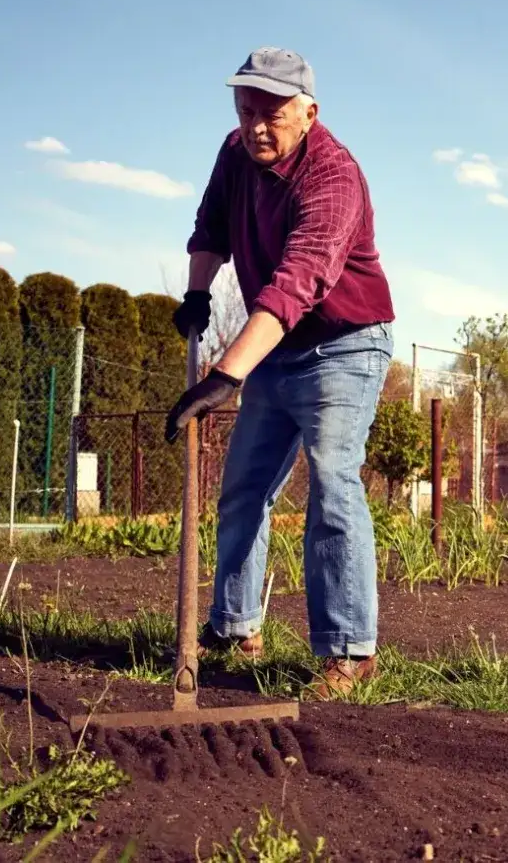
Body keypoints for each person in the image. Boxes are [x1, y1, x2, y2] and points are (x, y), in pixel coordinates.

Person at [165, 46, 395, 700]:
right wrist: (197, 294)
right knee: (243, 488)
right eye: (246, 111)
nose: (257, 126)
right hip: (275, 346)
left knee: (333, 481)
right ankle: (236, 629)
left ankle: (349, 651)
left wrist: (225, 374)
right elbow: (210, 227)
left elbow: (300, 282)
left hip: (344, 346)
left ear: (309, 112)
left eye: (273, 113)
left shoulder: (334, 176)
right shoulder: (235, 154)